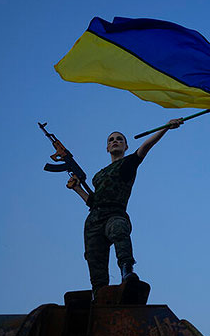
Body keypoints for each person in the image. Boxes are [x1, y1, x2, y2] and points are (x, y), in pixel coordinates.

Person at [68, 118, 183, 296]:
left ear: (126, 147)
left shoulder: (128, 163)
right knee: (93, 256)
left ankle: (126, 271)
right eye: (111, 140)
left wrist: (166, 128)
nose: (115, 141)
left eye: (119, 139)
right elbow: (93, 201)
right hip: (94, 219)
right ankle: (99, 293)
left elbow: (145, 147)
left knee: (118, 229)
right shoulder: (98, 175)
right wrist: (77, 189)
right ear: (107, 148)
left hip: (115, 213)